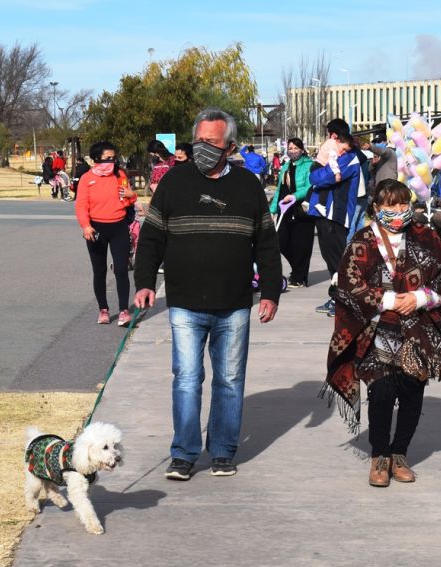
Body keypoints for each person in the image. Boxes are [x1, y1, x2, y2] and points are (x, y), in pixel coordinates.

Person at [133, 108, 282, 480]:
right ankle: (184, 453)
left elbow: (265, 242)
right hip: (184, 301)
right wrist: (145, 283)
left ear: (229, 146)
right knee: (186, 377)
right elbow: (151, 237)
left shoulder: (247, 186)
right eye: (198, 140)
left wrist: (269, 292)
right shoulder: (173, 183)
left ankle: (223, 451)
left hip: (233, 304)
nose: (202, 148)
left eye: (211, 143)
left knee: (229, 380)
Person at [323, 178, 441, 487]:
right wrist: (386, 300)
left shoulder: (427, 238)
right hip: (375, 330)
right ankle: (379, 457)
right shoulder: (363, 241)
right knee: (382, 392)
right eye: (391, 205)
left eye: (403, 203)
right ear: (376, 208)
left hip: (417, 329)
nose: (398, 211)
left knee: (412, 391)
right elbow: (347, 284)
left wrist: (419, 298)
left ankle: (400, 455)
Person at [75, 141, 138, 327]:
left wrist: (131, 195)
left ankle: (124, 311)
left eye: (113, 157)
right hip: (96, 229)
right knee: (99, 271)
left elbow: (130, 198)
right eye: (107, 157)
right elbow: (81, 205)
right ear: (96, 158)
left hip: (118, 227)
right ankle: (103, 309)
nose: (111, 160)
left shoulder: (120, 174)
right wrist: (86, 226)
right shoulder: (87, 178)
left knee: (121, 269)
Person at [308, 119, 361, 317]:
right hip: (324, 214)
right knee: (330, 259)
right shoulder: (338, 153)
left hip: (336, 215)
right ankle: (336, 297)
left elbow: (323, 177)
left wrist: (314, 174)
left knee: (338, 260)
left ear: (335, 136)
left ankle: (345, 300)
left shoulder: (349, 157)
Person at [269, 138, 315, 288]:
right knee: (281, 242)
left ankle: (300, 277)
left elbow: (310, 187)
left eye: (296, 148)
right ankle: (297, 270)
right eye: (290, 148)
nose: (293, 151)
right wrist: (272, 210)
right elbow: (279, 191)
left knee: (301, 245)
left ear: (302, 150)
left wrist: (295, 195)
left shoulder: (309, 165)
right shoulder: (286, 167)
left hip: (301, 211)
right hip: (285, 210)